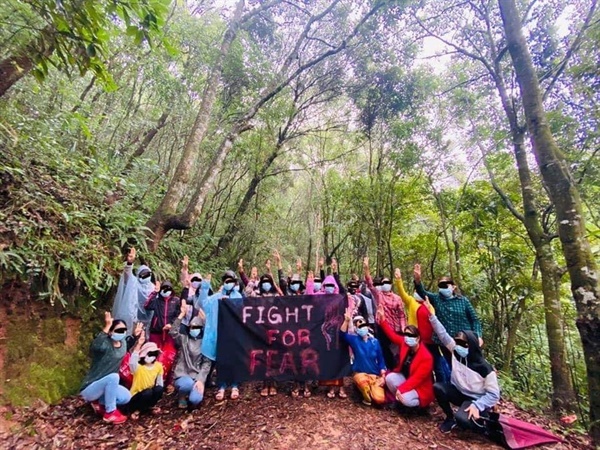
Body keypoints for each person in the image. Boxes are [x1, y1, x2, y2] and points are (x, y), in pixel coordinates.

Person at [425, 298, 500, 433]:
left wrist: (478, 405)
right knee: (438, 387)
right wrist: (432, 315)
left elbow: (494, 394)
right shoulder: (456, 352)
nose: (459, 347)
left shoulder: (485, 368)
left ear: (471, 345)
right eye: (457, 343)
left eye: (463, 344)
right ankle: (449, 418)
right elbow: (442, 334)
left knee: (463, 421)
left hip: (475, 398)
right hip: (459, 392)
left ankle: (483, 420)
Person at [413, 264, 483, 368]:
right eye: (440, 286)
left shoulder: (463, 301)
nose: (443, 288)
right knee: (453, 367)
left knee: (471, 366)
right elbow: (422, 293)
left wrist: (478, 335)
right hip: (446, 343)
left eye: (445, 285)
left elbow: (475, 320)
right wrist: (418, 280)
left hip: (464, 342)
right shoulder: (436, 299)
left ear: (453, 287)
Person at [80, 312, 142, 424]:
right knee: (113, 377)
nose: (121, 333)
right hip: (91, 387)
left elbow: (126, 346)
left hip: (108, 386)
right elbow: (95, 346)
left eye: (124, 330)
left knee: (126, 397)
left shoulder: (122, 343)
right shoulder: (104, 345)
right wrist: (107, 325)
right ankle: (110, 412)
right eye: (118, 330)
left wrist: (135, 336)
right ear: (110, 332)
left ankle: (101, 405)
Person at [392, 268, 446, 383]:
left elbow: (434, 320)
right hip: (418, 340)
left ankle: (441, 387)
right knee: (423, 364)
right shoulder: (412, 302)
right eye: (416, 292)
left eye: (419, 292)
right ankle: (428, 385)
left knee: (437, 364)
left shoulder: (430, 304)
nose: (417, 294)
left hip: (432, 340)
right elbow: (402, 293)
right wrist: (398, 280)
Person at [376, 309, 435, 409]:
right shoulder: (405, 343)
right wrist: (382, 319)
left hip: (419, 387)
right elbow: (392, 336)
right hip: (406, 378)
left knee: (406, 398)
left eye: (411, 335)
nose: (408, 338)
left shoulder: (426, 357)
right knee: (390, 378)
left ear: (418, 338)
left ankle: (421, 407)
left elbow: (417, 379)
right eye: (406, 335)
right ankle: (399, 400)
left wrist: (401, 389)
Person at [363, 257, 406, 369]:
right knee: (384, 350)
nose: (385, 284)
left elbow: (401, 314)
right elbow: (369, 283)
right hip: (382, 328)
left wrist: (403, 328)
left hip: (395, 329)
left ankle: (399, 370)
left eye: (388, 282)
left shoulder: (397, 298)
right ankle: (387, 371)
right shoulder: (379, 295)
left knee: (397, 352)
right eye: (383, 282)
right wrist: (366, 268)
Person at [210, 270, 244, 401]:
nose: (228, 283)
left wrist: (230, 304)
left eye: (231, 281)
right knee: (222, 358)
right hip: (220, 330)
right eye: (226, 281)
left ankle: (235, 385)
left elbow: (242, 313)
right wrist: (219, 300)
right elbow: (208, 306)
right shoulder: (217, 296)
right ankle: (222, 385)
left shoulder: (238, 296)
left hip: (234, 331)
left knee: (235, 358)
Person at [340, 312, 387, 406]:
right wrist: (346, 320)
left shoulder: (375, 342)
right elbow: (342, 335)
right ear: (357, 329)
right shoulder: (354, 340)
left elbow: (381, 359)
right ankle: (365, 394)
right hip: (360, 374)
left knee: (380, 400)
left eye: (364, 325)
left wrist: (383, 375)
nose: (362, 328)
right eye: (359, 326)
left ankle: (371, 392)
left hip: (374, 375)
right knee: (363, 385)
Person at [170, 303, 211, 409]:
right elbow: (173, 332)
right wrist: (181, 315)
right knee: (186, 384)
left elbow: (206, 363)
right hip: (183, 374)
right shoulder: (184, 339)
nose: (194, 329)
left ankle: (192, 395)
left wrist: (201, 380)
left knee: (195, 399)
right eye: (191, 327)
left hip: (196, 376)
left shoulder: (205, 343)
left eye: (196, 327)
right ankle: (182, 396)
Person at [144, 280, 180, 385]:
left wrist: (171, 324)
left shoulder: (176, 301)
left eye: (168, 288)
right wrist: (155, 292)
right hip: (156, 332)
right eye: (164, 289)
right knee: (153, 355)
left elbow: (179, 315)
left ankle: (168, 381)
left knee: (169, 356)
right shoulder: (157, 301)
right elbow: (147, 306)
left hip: (169, 334)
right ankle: (152, 381)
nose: (166, 291)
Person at [111, 247, 155, 336]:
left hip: (148, 321)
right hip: (133, 318)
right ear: (139, 275)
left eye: (148, 274)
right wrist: (130, 263)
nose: (146, 276)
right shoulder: (134, 283)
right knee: (130, 337)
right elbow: (127, 275)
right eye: (143, 274)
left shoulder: (153, 288)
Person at [126, 338, 164, 419]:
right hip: (136, 396)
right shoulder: (138, 367)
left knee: (159, 389)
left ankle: (149, 406)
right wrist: (139, 345)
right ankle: (137, 410)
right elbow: (132, 361)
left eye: (154, 354)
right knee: (147, 392)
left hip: (149, 395)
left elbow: (160, 382)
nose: (152, 357)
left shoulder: (158, 366)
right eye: (150, 354)